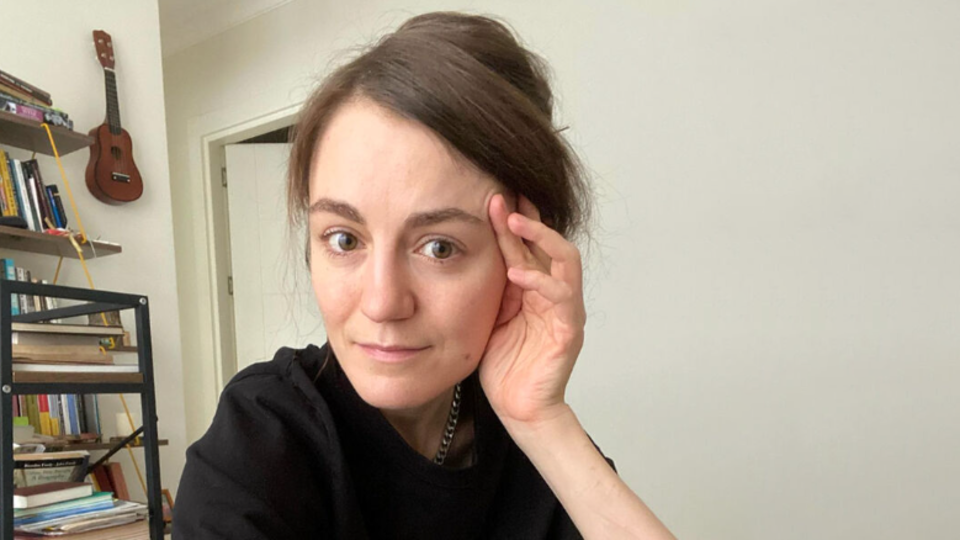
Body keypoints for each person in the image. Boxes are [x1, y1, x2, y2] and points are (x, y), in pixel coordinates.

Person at [173, 11, 675, 540]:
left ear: (521, 258)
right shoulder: (261, 436)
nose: (382, 303)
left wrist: (543, 423)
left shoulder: (528, 439)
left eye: (439, 247)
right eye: (344, 239)